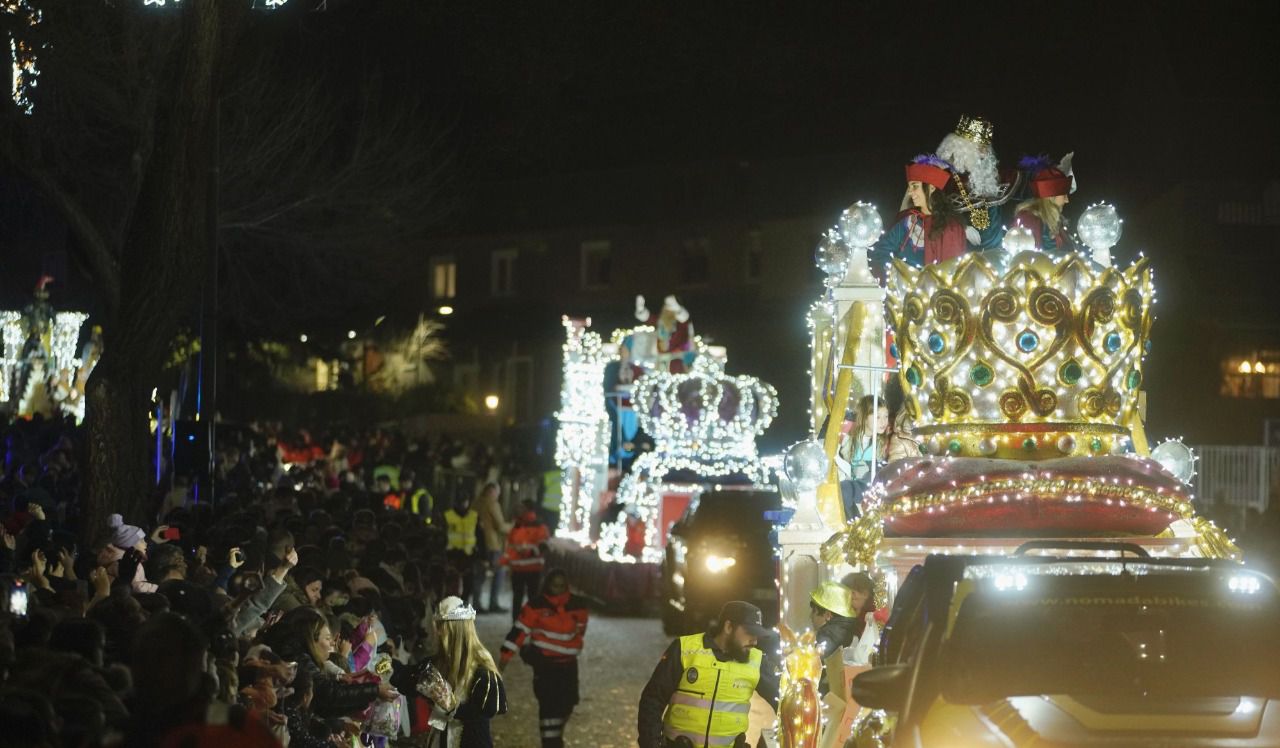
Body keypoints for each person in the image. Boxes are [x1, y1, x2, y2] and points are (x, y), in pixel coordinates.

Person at [638, 600, 780, 748]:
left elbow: (783, 700)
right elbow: (652, 700)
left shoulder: (757, 661)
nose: (755, 641)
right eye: (750, 633)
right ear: (728, 627)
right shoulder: (684, 649)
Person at [499, 569, 587, 747]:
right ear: (547, 585)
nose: (558, 589)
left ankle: (555, 739)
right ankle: (551, 743)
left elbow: (581, 629)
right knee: (548, 709)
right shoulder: (535, 606)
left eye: (562, 586)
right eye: (555, 585)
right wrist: (502, 662)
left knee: (567, 705)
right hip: (546, 668)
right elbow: (518, 632)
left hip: (568, 667)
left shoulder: (577, 605)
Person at [430, 596, 508, 747]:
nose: (437, 633)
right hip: (443, 738)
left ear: (454, 630)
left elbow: (487, 709)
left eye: (440, 627)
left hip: (471, 741)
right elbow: (409, 677)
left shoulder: (481, 669)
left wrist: (451, 707)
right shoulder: (441, 661)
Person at [870, 154, 967, 271]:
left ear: (931, 188)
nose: (910, 192)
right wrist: (893, 270)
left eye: (915, 186)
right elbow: (881, 250)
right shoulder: (907, 221)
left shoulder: (952, 227)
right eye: (910, 187)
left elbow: (953, 269)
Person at [1013, 155, 1075, 253]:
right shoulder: (1027, 219)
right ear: (1051, 197)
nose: (1067, 200)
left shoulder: (1055, 221)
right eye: (1064, 195)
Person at [503, 500, 551, 617]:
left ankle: (519, 624)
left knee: (520, 598)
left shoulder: (519, 527)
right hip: (530, 568)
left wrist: (527, 552)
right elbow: (543, 547)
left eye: (521, 507)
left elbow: (543, 547)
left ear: (527, 509)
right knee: (531, 598)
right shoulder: (538, 526)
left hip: (524, 568)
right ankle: (530, 624)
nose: (518, 509)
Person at [474, 482, 512, 614]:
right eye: (497, 492)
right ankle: (493, 603)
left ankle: (476, 604)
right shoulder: (492, 504)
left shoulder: (476, 503)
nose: (498, 495)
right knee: (499, 573)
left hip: (478, 543)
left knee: (479, 575)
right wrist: (512, 527)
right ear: (492, 492)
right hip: (492, 544)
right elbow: (500, 526)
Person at [444, 494, 482, 609]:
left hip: (468, 555)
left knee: (468, 585)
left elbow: (480, 536)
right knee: (451, 585)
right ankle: (452, 608)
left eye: (464, 501)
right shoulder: (448, 516)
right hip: (452, 555)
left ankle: (463, 608)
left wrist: (481, 554)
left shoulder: (474, 516)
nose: (462, 504)